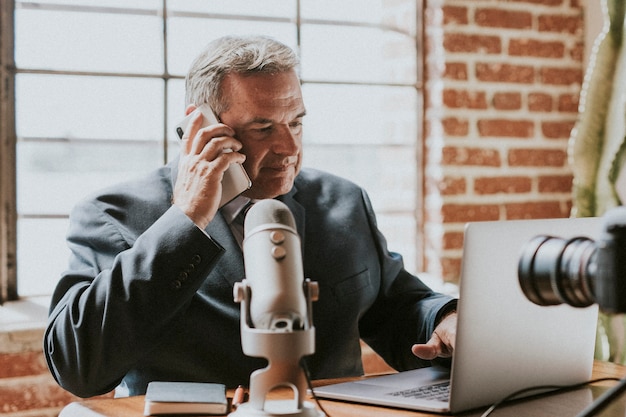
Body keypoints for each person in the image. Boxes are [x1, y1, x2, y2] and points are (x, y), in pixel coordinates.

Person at [44, 35, 457, 398]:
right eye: (263, 128)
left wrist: (445, 320)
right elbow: (77, 367)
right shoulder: (113, 215)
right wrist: (186, 219)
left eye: (296, 121)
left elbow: (397, 307)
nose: (289, 146)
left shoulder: (344, 202)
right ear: (201, 128)